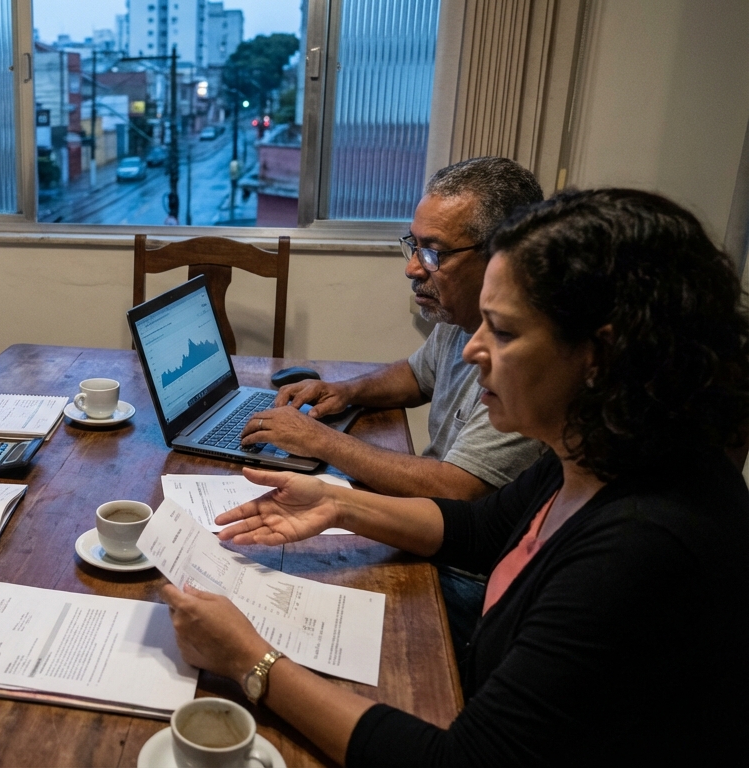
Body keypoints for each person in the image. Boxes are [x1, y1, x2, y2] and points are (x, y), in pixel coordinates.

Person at [163, 189, 749, 766]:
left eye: (504, 331)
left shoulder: (642, 545)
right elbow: (479, 527)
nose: (472, 350)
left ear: (600, 355)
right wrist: (337, 506)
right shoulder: (599, 450)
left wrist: (251, 660)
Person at [242, 157, 546, 501]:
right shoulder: (457, 312)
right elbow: (418, 375)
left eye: (433, 252)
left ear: (500, 255)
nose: (413, 268)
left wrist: (321, 441)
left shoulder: (530, 365)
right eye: (414, 245)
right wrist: (345, 391)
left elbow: (457, 488)